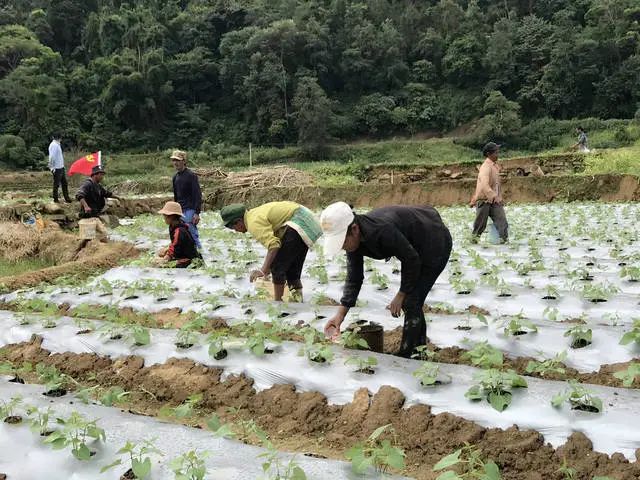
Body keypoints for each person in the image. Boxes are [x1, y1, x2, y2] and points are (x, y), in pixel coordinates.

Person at [320, 202, 452, 358]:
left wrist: (401, 294)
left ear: (354, 229)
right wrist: (339, 317)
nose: (342, 247)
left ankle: (407, 355)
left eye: (342, 241)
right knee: (413, 302)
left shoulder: (381, 230)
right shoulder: (354, 240)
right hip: (414, 248)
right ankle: (418, 350)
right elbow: (354, 278)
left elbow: (411, 260)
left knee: (410, 301)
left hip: (434, 242)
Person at [221, 201, 322, 301]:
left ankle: (278, 303)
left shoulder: (253, 223)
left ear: (238, 221)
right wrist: (267, 269)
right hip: (308, 221)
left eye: (233, 227)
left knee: (277, 268)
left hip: (298, 223)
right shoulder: (254, 214)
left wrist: (263, 270)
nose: (235, 230)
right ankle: (297, 300)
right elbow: (278, 242)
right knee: (291, 270)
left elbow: (273, 245)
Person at [469, 142, 508, 242]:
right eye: (496, 152)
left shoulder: (495, 167)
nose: (498, 154)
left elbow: (496, 185)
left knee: (502, 221)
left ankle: (504, 240)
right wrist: (494, 196)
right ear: (489, 154)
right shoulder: (485, 167)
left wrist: (499, 198)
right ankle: (474, 241)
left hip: (494, 200)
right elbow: (484, 185)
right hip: (484, 200)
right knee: (480, 225)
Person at [156, 201, 202, 268]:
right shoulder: (173, 226)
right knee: (161, 253)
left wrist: (165, 259)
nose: (164, 218)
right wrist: (166, 250)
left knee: (162, 265)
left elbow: (174, 247)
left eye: (165, 216)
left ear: (171, 217)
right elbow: (174, 243)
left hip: (188, 258)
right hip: (180, 253)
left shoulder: (180, 230)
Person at [171, 150, 202, 249]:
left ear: (184, 161)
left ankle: (199, 253)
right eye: (174, 160)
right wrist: (175, 212)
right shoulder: (175, 177)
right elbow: (176, 197)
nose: (175, 163)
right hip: (180, 210)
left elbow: (197, 194)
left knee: (192, 234)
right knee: (180, 234)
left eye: (178, 160)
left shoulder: (191, 175)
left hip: (189, 210)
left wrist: (197, 213)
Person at [48, 133, 71, 203]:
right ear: (59, 138)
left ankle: (67, 198)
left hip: (61, 167)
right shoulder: (54, 145)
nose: (61, 139)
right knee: (56, 184)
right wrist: (52, 168)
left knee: (64, 183)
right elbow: (52, 157)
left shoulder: (57, 144)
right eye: (60, 138)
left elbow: (58, 157)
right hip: (57, 168)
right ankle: (55, 199)